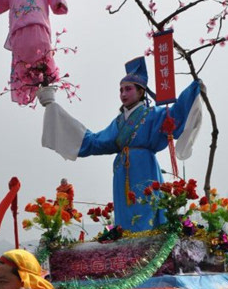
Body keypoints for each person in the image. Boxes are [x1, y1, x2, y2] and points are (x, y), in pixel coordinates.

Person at [38, 56, 202, 231]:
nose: (123, 94)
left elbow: (176, 114)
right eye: (121, 90)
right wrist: (53, 108)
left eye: (128, 89)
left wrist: (194, 88)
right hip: (121, 173)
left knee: (147, 211)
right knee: (125, 220)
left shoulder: (153, 114)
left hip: (144, 168)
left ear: (140, 92)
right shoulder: (118, 123)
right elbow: (93, 142)